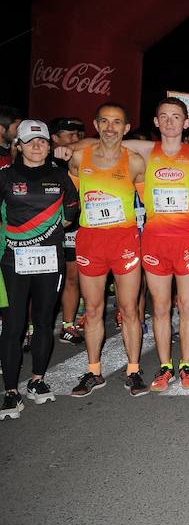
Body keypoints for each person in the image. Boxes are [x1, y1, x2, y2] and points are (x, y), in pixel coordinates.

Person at [115, 98, 189, 391]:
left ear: (186, 123)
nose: (170, 122)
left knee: (187, 305)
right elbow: (103, 141)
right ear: (156, 122)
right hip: (156, 242)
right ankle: (164, 366)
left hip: (187, 241)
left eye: (176, 117)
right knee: (159, 308)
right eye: (164, 117)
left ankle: (185, 365)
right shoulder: (145, 150)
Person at [63, 104, 147, 397]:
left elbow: (146, 202)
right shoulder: (78, 158)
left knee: (129, 310)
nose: (111, 127)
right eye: (105, 122)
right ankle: (93, 370)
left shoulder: (135, 162)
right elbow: (70, 199)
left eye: (117, 122)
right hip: (91, 241)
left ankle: (134, 371)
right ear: (96, 125)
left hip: (123, 242)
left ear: (126, 129)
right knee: (94, 309)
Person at [0, 120, 78, 420]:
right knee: (14, 325)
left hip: (49, 260)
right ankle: (10, 391)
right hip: (12, 261)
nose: (36, 146)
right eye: (30, 141)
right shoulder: (6, 176)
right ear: (18, 145)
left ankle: (37, 379)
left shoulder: (59, 176)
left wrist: (49, 233)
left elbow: (72, 209)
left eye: (42, 141)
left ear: (49, 145)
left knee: (44, 322)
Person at [50, 117, 86, 345]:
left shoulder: (79, 157)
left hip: (72, 225)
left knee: (72, 277)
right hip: (42, 229)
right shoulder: (40, 157)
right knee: (41, 279)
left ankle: (68, 324)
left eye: (77, 134)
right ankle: (31, 328)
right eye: (69, 135)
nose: (75, 139)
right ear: (54, 138)